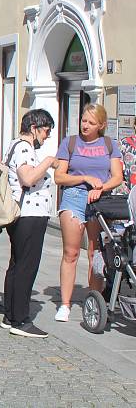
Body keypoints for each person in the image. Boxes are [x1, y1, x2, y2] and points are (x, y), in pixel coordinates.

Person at [54, 103, 123, 322]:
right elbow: (59, 177)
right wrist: (84, 178)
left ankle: (94, 300)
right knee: (71, 252)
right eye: (84, 120)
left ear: (101, 125)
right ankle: (65, 305)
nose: (85, 125)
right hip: (73, 198)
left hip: (100, 201)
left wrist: (101, 187)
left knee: (96, 254)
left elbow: (117, 177)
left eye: (91, 122)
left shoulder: (109, 145)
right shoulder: (70, 143)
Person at [1, 110, 58, 338]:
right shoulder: (24, 148)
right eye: (46, 130)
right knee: (26, 266)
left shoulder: (15, 145)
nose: (47, 136)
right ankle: (21, 320)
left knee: (16, 264)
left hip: (23, 215)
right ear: (34, 127)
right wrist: (48, 162)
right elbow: (27, 178)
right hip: (29, 215)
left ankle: (10, 315)